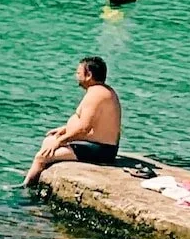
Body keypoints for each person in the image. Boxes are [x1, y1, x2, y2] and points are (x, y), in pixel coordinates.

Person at [25, 56, 123, 185]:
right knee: (49, 140)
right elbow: (92, 123)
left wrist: (60, 141)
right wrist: (65, 129)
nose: (76, 76)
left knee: (41, 157)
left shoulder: (96, 95)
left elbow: (84, 129)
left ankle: (25, 190)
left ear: (88, 75)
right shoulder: (100, 91)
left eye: (78, 73)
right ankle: (36, 176)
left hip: (100, 150)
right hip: (98, 145)